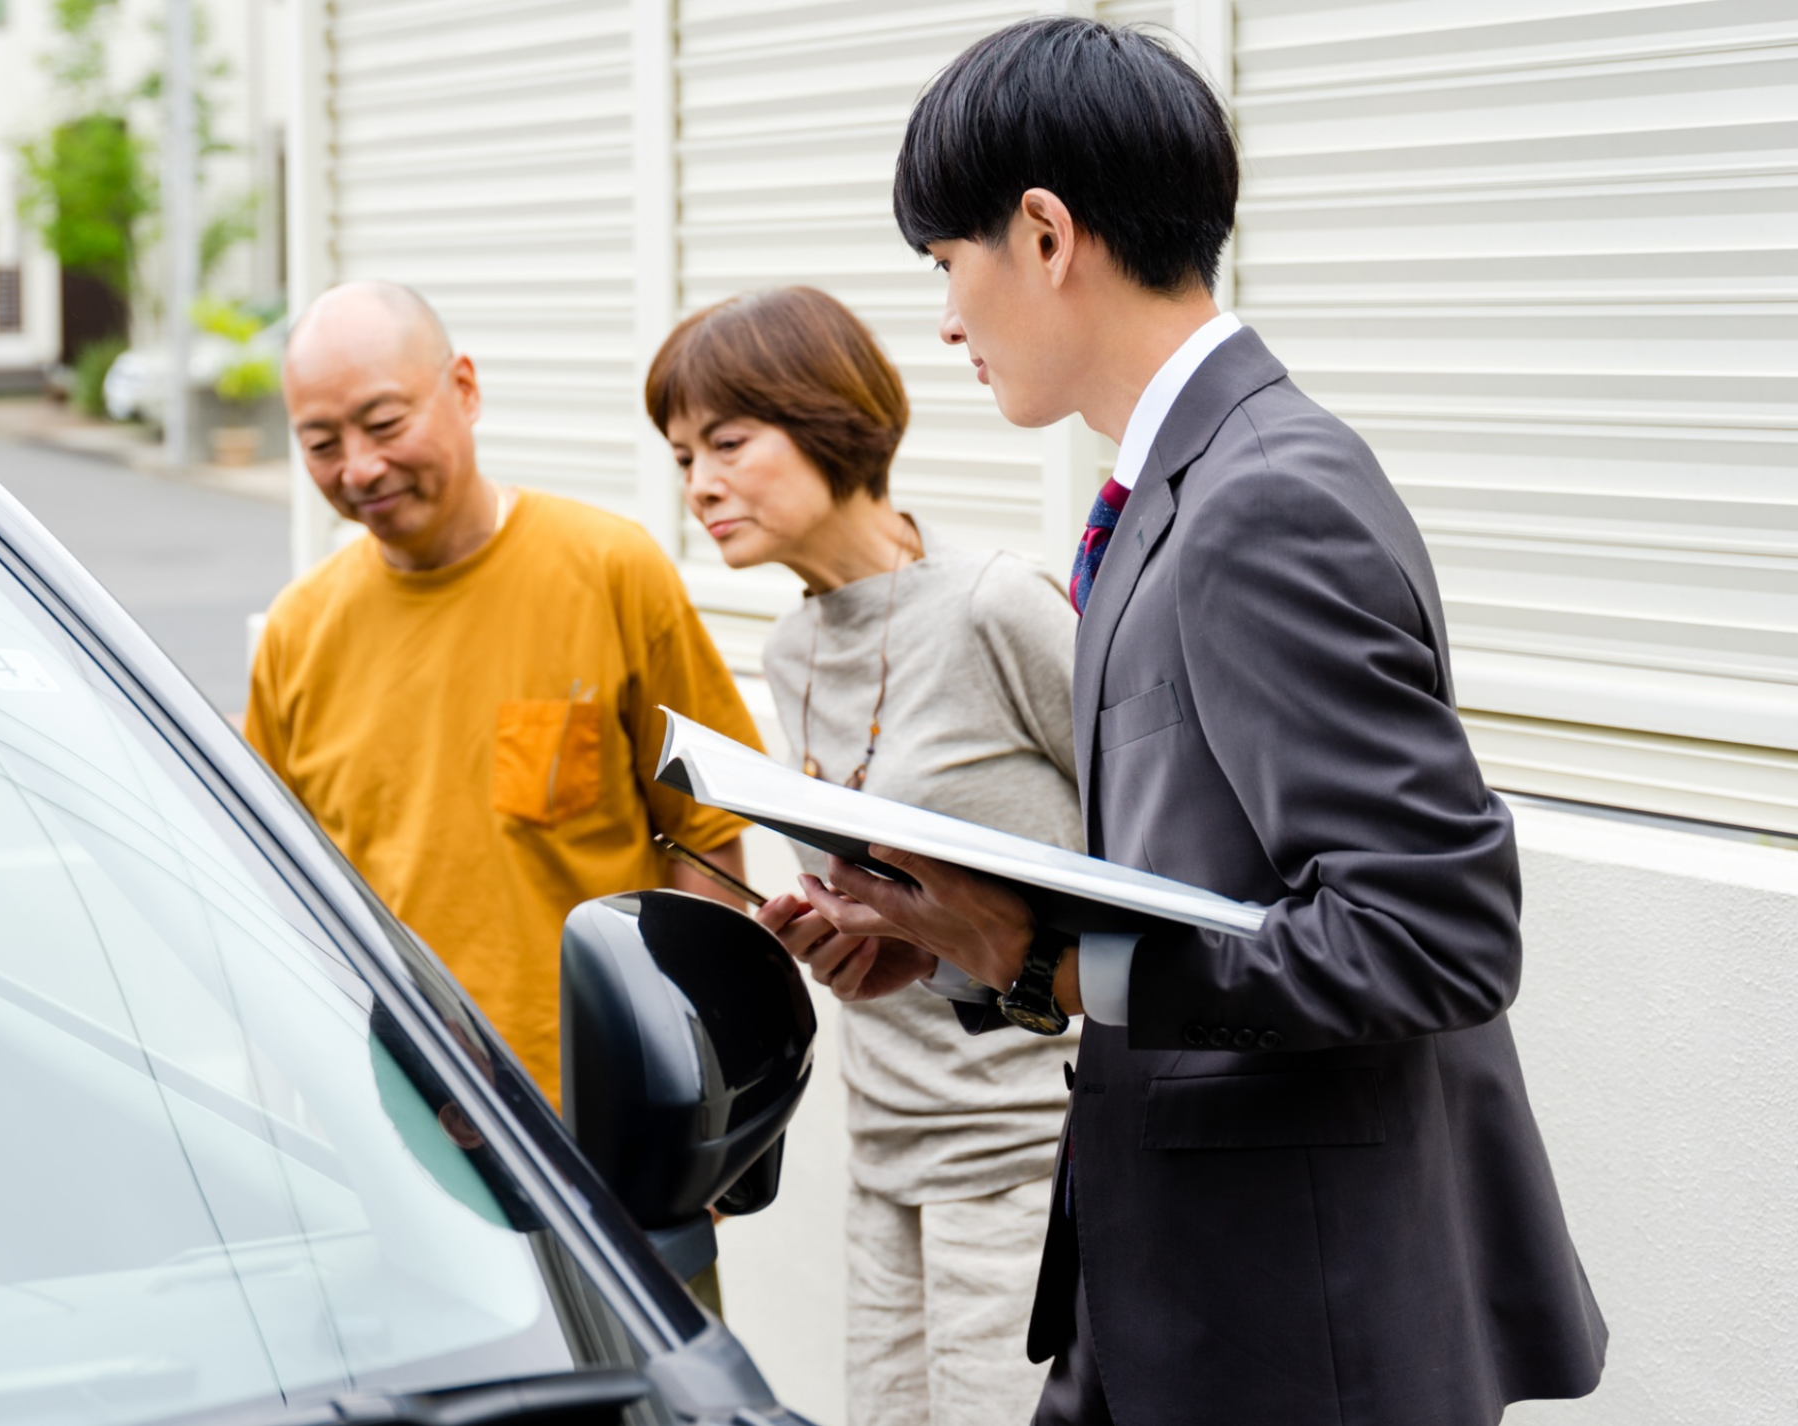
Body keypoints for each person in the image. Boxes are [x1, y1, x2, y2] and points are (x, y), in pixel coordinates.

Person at [791, 19, 1607, 1426]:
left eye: (945, 264)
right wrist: (949, 944)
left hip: (1292, 1330)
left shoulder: (1262, 500)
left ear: (1044, 234)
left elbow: (1431, 935)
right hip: (1176, 1288)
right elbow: (1210, 896)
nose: (941, 320)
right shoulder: (1181, 488)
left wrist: (1044, 958)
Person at [646, 286, 1078, 1426]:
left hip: (1024, 1155)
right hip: (884, 1150)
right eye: (683, 453)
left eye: (727, 442)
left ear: (828, 418)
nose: (697, 483)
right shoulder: (792, 649)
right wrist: (845, 936)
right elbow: (898, 915)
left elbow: (1156, 856)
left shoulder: (998, 607)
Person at [246, 279, 764, 1107]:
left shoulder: (610, 571)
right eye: (320, 442)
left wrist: (700, 1102)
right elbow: (274, 891)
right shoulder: (297, 632)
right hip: (395, 1110)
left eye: (384, 424)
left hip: (607, 1116)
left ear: (464, 390)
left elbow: (709, 847)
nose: (360, 466)